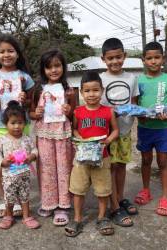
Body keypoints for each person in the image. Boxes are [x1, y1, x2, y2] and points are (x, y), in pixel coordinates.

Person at [0, 34, 35, 218]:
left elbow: (31, 102)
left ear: (18, 54)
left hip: (20, 124)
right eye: (2, 51)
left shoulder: (24, 77)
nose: (6, 55)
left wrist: (25, 100)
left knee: (21, 162)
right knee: (2, 164)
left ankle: (21, 201)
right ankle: (6, 200)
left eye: (10, 51)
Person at [65, 71, 119, 237]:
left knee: (103, 190)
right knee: (78, 189)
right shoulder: (78, 112)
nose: (91, 94)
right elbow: (74, 128)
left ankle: (102, 217)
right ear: (81, 92)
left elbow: (115, 130)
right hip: (81, 160)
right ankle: (78, 219)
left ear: (102, 90)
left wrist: (108, 141)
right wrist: (78, 136)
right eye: (87, 91)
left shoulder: (108, 111)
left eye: (95, 90)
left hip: (102, 158)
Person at [29, 49, 76, 226]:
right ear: (43, 70)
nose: (53, 70)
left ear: (63, 67)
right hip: (44, 135)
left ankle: (62, 206)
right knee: (46, 169)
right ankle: (48, 203)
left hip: (63, 135)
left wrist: (69, 111)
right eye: (49, 67)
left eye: (57, 66)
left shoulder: (69, 91)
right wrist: (36, 113)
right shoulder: (38, 90)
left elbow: (74, 115)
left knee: (63, 169)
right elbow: (32, 113)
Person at [134, 41, 167, 216]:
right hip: (144, 128)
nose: (153, 61)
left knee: (163, 162)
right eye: (149, 58)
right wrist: (140, 115)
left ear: (163, 58)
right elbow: (135, 105)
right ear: (143, 60)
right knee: (145, 161)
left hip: (162, 129)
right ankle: (146, 190)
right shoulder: (138, 81)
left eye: (157, 57)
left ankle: (166, 198)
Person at [100, 38, 139, 227]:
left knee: (122, 166)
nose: (115, 61)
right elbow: (95, 104)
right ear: (103, 59)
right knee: (111, 167)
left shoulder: (131, 78)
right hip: (108, 133)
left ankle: (121, 198)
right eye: (110, 58)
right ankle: (114, 206)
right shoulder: (100, 79)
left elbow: (134, 103)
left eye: (118, 57)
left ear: (125, 56)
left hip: (125, 131)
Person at [0, 101, 40, 229]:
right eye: (13, 123)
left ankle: (26, 216)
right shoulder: (2, 140)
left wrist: (31, 157)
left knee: (25, 197)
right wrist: (2, 162)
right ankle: (8, 216)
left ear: (24, 123)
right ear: (6, 124)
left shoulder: (26, 139)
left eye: (20, 122)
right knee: (9, 198)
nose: (16, 126)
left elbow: (35, 150)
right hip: (8, 177)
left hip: (24, 176)